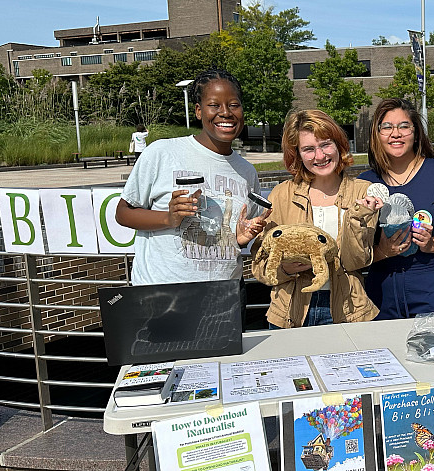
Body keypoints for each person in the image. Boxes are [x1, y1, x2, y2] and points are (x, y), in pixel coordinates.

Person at [115, 68, 268, 285]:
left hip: (224, 295)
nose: (225, 112)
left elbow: (234, 237)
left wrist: (240, 238)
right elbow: (123, 213)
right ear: (198, 111)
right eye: (214, 105)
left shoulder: (247, 172)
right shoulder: (162, 152)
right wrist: (169, 218)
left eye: (233, 105)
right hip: (163, 293)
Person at [252, 110, 383, 328]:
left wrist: (357, 217)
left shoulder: (363, 192)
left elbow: (356, 261)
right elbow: (260, 264)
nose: (320, 156)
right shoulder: (281, 195)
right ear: (297, 154)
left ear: (339, 145)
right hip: (289, 313)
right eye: (309, 149)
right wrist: (285, 269)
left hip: (349, 310)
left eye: (325, 145)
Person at [358, 98, 434, 318]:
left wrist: (432, 244)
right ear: (376, 134)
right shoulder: (364, 184)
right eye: (387, 127)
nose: (396, 133)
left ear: (416, 132)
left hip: (433, 285)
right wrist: (383, 251)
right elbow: (353, 248)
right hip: (381, 289)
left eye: (404, 126)